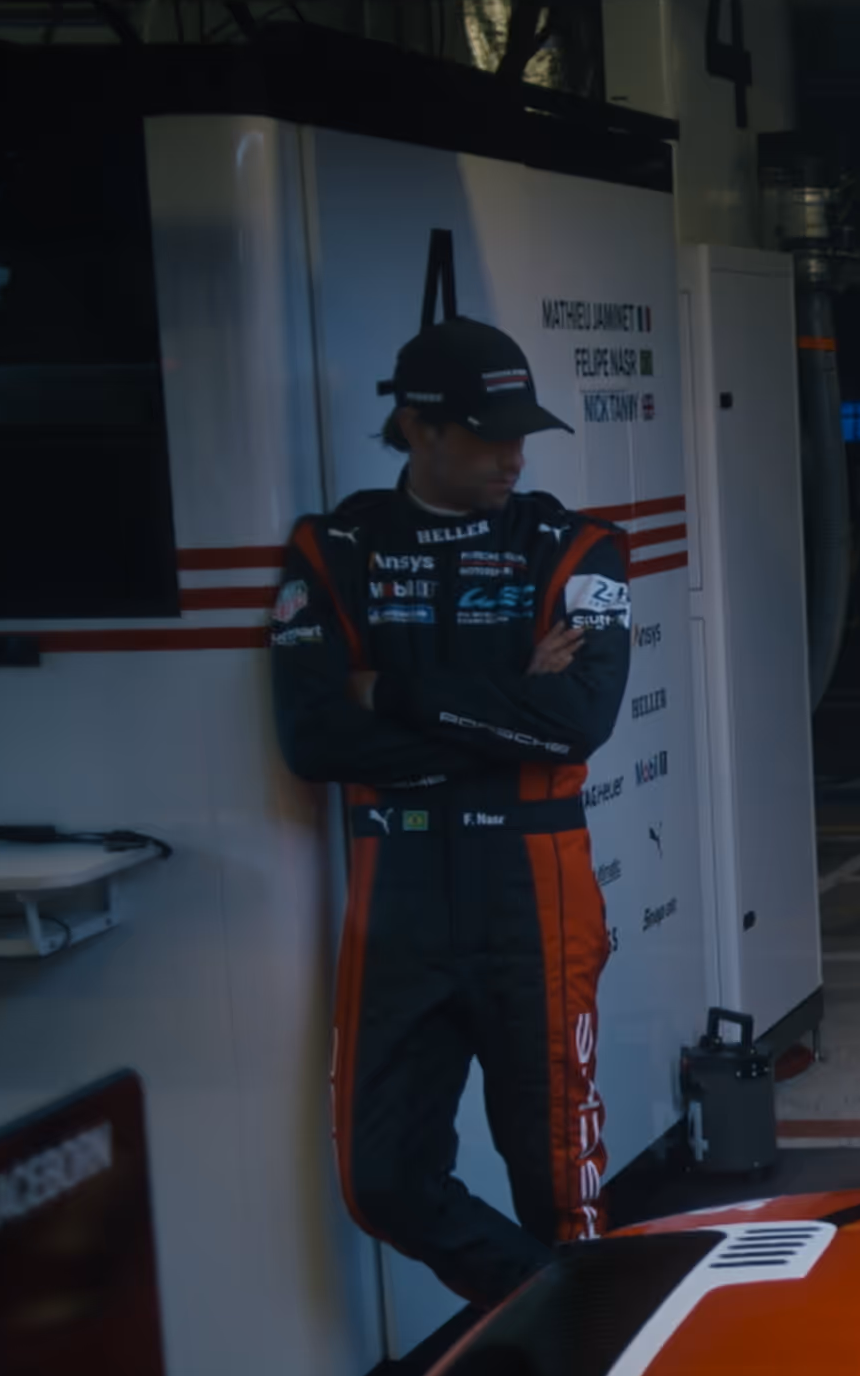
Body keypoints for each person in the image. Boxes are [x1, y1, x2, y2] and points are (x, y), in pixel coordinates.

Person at [267, 314, 632, 1304]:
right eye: (487, 432)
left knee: (560, 1186)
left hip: (535, 892)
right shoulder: (332, 547)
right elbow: (314, 742)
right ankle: (569, 1320)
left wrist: (387, 690)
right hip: (396, 896)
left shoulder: (581, 547)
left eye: (523, 431)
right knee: (382, 1181)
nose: (515, 453)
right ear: (418, 427)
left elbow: (575, 724)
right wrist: (504, 694)